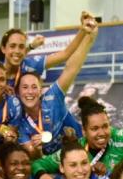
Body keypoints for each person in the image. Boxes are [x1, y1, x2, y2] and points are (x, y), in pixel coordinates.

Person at [17, 19, 97, 158]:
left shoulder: (53, 98)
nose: (29, 92)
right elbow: (34, 157)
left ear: (40, 90)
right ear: (18, 93)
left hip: (82, 155)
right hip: (53, 168)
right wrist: (37, 148)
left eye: (34, 87)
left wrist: (89, 38)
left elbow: (71, 68)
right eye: (24, 87)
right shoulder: (20, 122)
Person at [0, 12, 97, 93]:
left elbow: (65, 54)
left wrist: (83, 30)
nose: (17, 51)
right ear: (4, 49)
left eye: (21, 47)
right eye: (12, 46)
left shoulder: (30, 64)